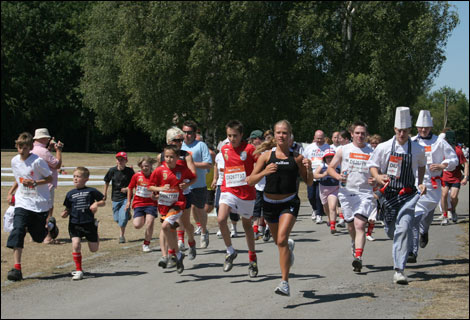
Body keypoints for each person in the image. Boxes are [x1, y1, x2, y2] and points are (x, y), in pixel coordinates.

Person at [248, 120, 313, 296]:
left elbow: (308, 181)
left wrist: (310, 169)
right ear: (274, 135)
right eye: (278, 132)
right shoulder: (266, 156)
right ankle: (288, 249)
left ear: (290, 135)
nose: (281, 136)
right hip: (269, 204)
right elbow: (250, 180)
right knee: (279, 242)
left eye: (285, 133)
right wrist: (264, 172)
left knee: (282, 239)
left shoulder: (297, 157)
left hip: (289, 202)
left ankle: (284, 283)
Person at [368, 107, 427, 284]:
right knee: (391, 231)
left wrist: (421, 182)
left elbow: (422, 165)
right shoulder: (384, 147)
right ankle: (399, 246)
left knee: (403, 229)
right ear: (395, 130)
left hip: (409, 195)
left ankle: (399, 270)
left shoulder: (417, 149)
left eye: (405, 131)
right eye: (399, 130)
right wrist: (378, 176)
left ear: (410, 131)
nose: (402, 133)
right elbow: (372, 164)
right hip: (389, 196)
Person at [406, 111, 458, 263]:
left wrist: (442, 165)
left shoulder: (439, 142)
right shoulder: (412, 141)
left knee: (427, 217)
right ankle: (412, 252)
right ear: (417, 127)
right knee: (414, 218)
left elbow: (453, 158)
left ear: (430, 127)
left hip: (433, 186)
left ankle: (425, 231)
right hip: (416, 185)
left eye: (426, 128)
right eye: (421, 127)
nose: (423, 130)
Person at [6, 132, 57, 281]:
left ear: (30, 148)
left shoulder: (37, 162)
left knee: (39, 237)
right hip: (22, 201)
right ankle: (17, 269)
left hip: (39, 203)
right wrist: (11, 193)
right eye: (19, 147)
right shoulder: (14, 161)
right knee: (18, 229)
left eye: (25, 147)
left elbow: (49, 178)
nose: (22, 150)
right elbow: (18, 179)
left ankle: (51, 226)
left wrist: (34, 183)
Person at [327, 122, 376, 273]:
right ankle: (354, 243)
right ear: (352, 134)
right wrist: (338, 176)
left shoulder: (372, 151)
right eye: (357, 133)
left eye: (363, 133)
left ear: (366, 135)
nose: (360, 136)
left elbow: (378, 172)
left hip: (365, 193)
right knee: (351, 226)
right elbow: (330, 168)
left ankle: (358, 258)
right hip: (346, 193)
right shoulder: (344, 150)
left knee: (360, 225)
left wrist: (375, 180)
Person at [218, 120, 259, 278]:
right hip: (228, 189)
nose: (232, 139)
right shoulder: (225, 148)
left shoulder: (249, 149)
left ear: (242, 135)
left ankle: (252, 258)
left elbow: (260, 163)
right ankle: (230, 251)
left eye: (235, 136)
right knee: (221, 219)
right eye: (229, 136)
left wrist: (253, 176)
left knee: (247, 226)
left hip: (246, 193)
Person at [149, 145, 196, 274]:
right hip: (164, 204)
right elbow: (150, 186)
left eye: (171, 157)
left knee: (165, 227)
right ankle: (177, 254)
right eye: (166, 156)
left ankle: (172, 255)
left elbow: (194, 177)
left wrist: (186, 184)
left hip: (178, 204)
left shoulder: (182, 169)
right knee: (170, 229)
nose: (168, 159)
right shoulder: (159, 170)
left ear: (177, 158)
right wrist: (159, 190)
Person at [161, 127, 198, 262]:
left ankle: (192, 242)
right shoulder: (162, 156)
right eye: (177, 140)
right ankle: (170, 254)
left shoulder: (186, 155)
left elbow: (193, 174)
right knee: (169, 224)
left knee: (185, 223)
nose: (180, 142)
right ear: (169, 141)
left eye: (181, 140)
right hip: (168, 196)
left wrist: (187, 184)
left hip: (184, 194)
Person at [61, 167, 106, 280]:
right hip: (74, 223)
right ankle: (78, 270)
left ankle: (95, 232)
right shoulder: (70, 193)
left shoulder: (91, 191)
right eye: (74, 176)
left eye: (78, 176)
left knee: (94, 249)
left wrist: (96, 204)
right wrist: (65, 213)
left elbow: (103, 201)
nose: (75, 179)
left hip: (88, 223)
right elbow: (68, 208)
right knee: (76, 244)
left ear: (86, 179)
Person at [181, 120, 213, 248]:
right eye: (184, 132)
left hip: (198, 184)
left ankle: (204, 231)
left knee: (199, 209)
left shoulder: (201, 146)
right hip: (183, 186)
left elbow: (209, 164)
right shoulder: (179, 146)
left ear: (194, 133)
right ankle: (181, 239)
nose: (187, 135)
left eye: (189, 132)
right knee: (182, 212)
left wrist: (191, 164)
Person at [31, 128, 64, 244]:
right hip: (46, 185)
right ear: (44, 138)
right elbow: (57, 164)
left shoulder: (32, 149)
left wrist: (49, 148)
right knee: (48, 211)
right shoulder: (43, 152)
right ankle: (48, 236)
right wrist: (59, 150)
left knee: (36, 211)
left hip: (34, 184)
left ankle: (35, 235)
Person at [126, 156, 159, 253]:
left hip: (151, 203)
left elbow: (159, 190)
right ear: (140, 166)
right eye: (143, 166)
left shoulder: (155, 176)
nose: (145, 168)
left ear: (150, 166)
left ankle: (146, 243)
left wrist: (157, 197)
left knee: (150, 223)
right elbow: (130, 188)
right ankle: (143, 217)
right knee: (137, 225)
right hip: (139, 203)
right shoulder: (136, 176)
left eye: (147, 166)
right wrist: (128, 201)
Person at [103, 152, 135, 243]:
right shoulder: (112, 170)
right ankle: (127, 214)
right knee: (117, 219)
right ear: (116, 160)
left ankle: (121, 236)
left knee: (123, 219)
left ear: (126, 161)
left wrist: (127, 188)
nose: (120, 161)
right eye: (118, 159)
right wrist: (104, 194)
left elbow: (134, 183)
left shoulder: (129, 171)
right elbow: (106, 181)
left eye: (122, 159)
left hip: (126, 197)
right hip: (115, 197)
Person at [440, 129, 469, 225]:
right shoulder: (441, 150)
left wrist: (465, 177)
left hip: (456, 177)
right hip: (445, 177)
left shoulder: (458, 151)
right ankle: (444, 215)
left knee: (453, 196)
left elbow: (465, 163)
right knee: (444, 195)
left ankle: (453, 210)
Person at [213, 140, 240, 238]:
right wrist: (215, 179)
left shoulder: (236, 154)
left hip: (232, 184)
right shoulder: (219, 156)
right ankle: (222, 227)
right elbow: (216, 166)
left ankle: (234, 227)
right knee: (217, 205)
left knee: (233, 208)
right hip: (221, 184)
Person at [302, 130, 330, 224]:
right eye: (317, 138)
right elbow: (304, 159)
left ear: (324, 138)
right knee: (310, 196)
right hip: (311, 174)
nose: (319, 140)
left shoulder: (327, 147)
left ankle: (319, 215)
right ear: (314, 138)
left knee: (319, 196)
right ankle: (314, 209)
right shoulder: (309, 147)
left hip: (322, 174)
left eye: (321, 139)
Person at [314, 149, 340, 234]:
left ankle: (333, 226)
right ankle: (329, 219)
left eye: (331, 157)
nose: (329, 159)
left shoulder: (338, 166)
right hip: (323, 190)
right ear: (324, 158)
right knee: (326, 208)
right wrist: (323, 174)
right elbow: (315, 175)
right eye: (327, 157)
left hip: (335, 189)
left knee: (332, 207)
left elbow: (345, 174)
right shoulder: (322, 165)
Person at [249, 130, 266, 240]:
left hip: (267, 184)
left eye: (255, 139)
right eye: (252, 140)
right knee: (256, 209)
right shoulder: (250, 152)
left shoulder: (267, 152)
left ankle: (264, 226)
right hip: (256, 185)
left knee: (266, 208)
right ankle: (255, 230)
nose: (254, 142)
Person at [366, 134, 384, 241]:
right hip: (364, 187)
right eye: (372, 143)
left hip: (376, 186)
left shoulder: (381, 154)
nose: (374, 145)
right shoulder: (367, 153)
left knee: (373, 214)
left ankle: (369, 233)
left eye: (376, 143)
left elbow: (381, 171)